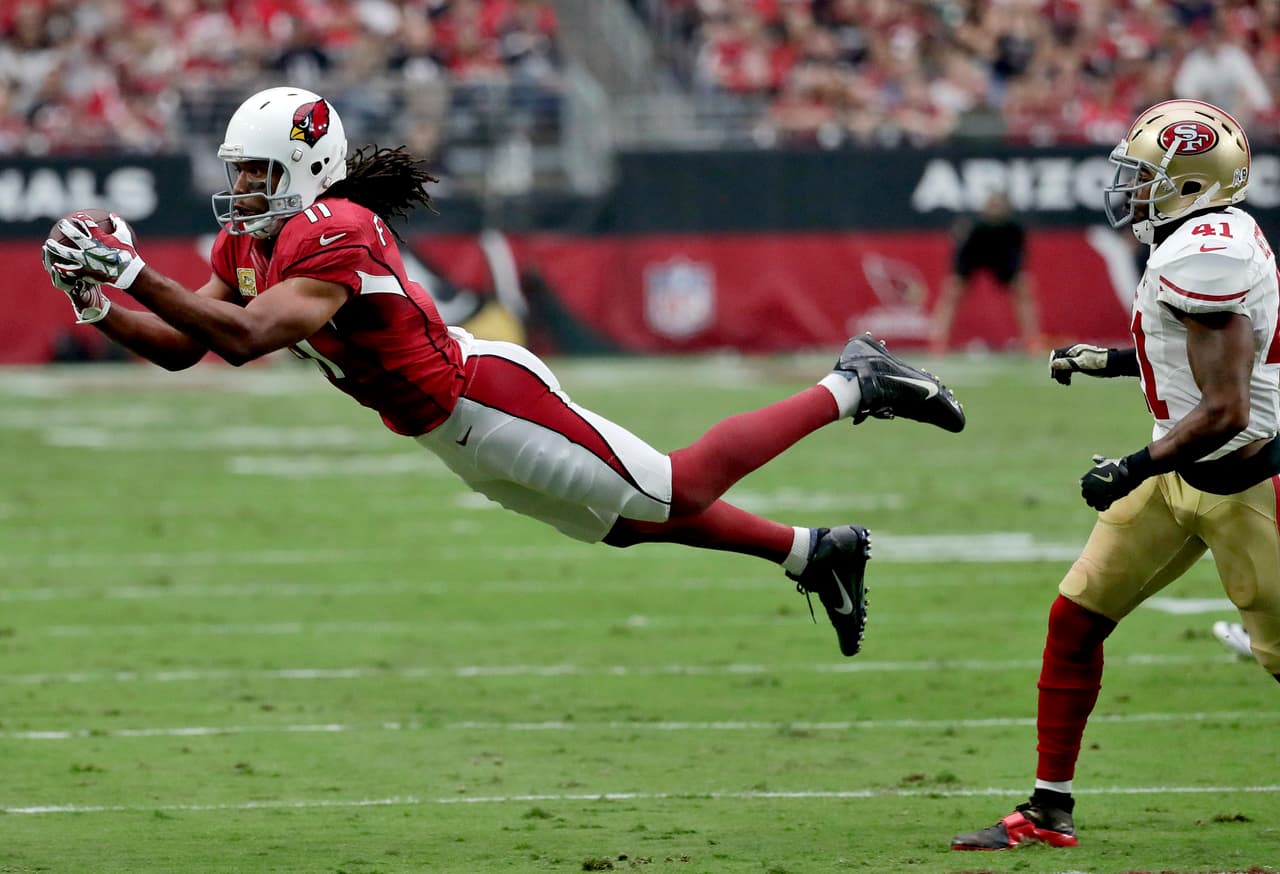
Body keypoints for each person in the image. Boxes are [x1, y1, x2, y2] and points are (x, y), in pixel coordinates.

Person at [39, 85, 967, 659]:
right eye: (236, 173)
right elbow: (188, 341)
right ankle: (814, 552)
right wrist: (97, 304)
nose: (238, 191)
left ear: (304, 167)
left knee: (674, 486)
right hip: (447, 430)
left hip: (485, 398)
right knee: (624, 529)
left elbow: (244, 341)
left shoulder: (334, 230)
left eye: (254, 173)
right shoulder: (256, 240)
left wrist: (127, 269)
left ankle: (856, 380)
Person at [951, 98, 1280, 852]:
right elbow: (1199, 362)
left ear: (1193, 184)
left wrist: (1129, 468)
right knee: (1076, 618)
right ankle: (1047, 809)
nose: (1130, 188)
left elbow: (1227, 407)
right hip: (1182, 473)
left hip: (1243, 484)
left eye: (1147, 175)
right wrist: (1115, 361)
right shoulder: (1200, 239)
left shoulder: (1207, 255)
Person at [930, 190, 1040, 355]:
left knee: (1023, 288)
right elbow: (961, 255)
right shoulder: (973, 228)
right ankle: (938, 343)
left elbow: (1019, 258)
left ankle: (1032, 342)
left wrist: (1019, 276)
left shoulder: (1013, 229)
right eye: (992, 204)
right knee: (952, 292)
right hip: (973, 255)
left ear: (1007, 209)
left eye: (999, 205)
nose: (995, 209)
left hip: (1002, 258)